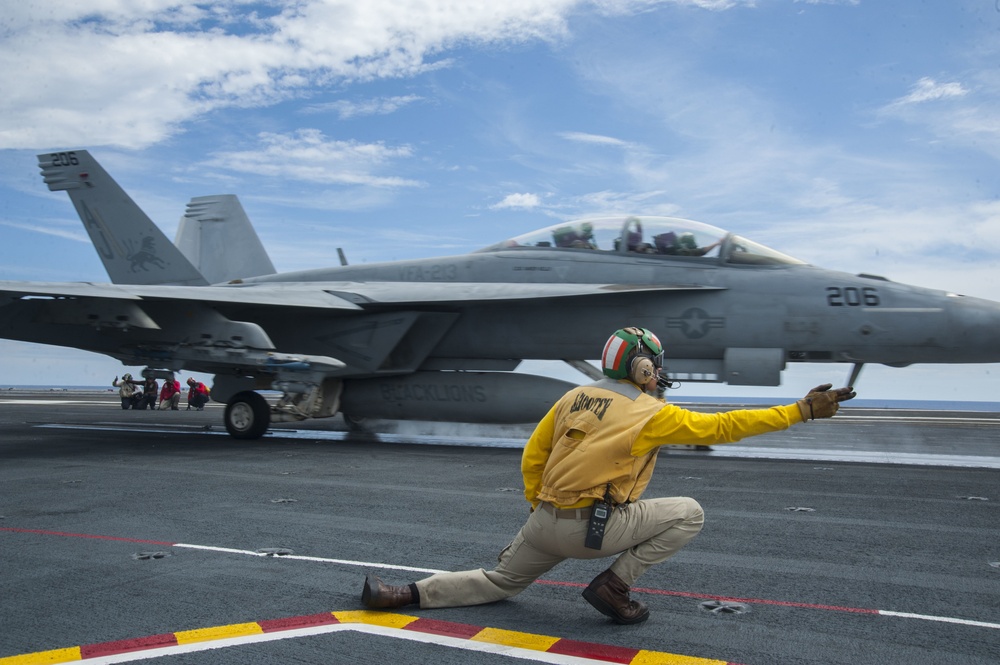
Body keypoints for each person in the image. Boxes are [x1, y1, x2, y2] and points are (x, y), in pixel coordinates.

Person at [361, 326, 855, 624]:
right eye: (654, 364)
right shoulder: (651, 413)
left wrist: (540, 508)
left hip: (543, 523)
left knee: (497, 583)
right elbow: (724, 426)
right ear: (642, 368)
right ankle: (614, 587)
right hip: (593, 530)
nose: (658, 372)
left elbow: (533, 458)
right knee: (689, 512)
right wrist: (801, 411)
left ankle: (399, 593)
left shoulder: (571, 398)